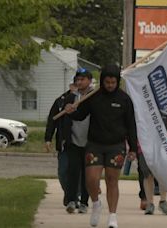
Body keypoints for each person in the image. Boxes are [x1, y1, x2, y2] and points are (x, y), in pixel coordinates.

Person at [65, 64, 137, 228]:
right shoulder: (93, 97)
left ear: (117, 81)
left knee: (112, 180)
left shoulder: (124, 100)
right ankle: (96, 203)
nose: (110, 85)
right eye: (107, 82)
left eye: (113, 82)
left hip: (116, 146)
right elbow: (81, 114)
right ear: (102, 81)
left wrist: (133, 148)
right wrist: (71, 111)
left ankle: (112, 216)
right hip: (95, 145)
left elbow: (131, 125)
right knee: (91, 179)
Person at [61, 68, 94, 214]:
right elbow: (62, 119)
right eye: (77, 80)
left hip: (91, 141)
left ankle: (84, 202)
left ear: (89, 80)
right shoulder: (70, 98)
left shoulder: (95, 96)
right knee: (72, 171)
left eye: (82, 79)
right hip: (73, 140)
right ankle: (71, 200)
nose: (79, 82)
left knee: (87, 173)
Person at [44, 81, 77, 208]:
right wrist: (48, 138)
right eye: (74, 83)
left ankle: (74, 197)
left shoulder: (86, 99)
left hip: (80, 143)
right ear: (70, 86)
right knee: (63, 171)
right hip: (64, 142)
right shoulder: (60, 101)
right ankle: (69, 194)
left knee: (78, 172)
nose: (76, 86)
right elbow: (52, 121)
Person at [137, 144, 167, 216]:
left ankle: (163, 201)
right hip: (145, 146)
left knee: (163, 174)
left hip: (162, 146)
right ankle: (150, 204)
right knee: (147, 175)